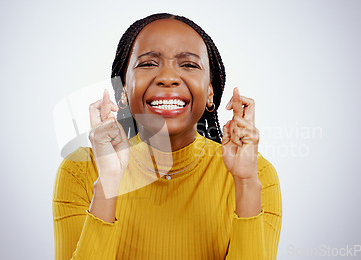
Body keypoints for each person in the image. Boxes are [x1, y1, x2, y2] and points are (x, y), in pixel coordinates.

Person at [53, 13, 282, 259]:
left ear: (209, 92)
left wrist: (245, 183)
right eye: (148, 64)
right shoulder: (81, 170)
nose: (168, 78)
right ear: (123, 91)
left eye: (189, 65)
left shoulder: (256, 175)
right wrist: (108, 181)